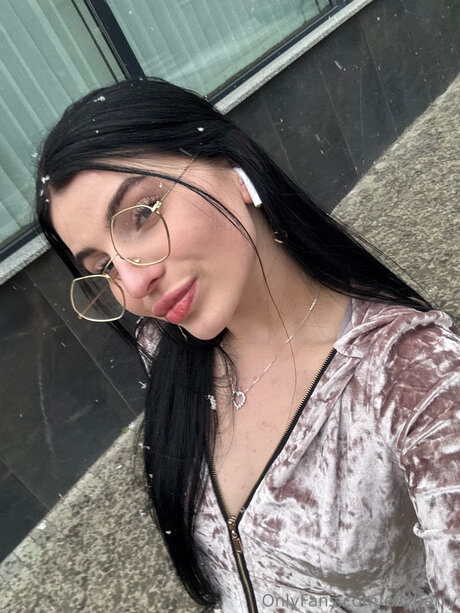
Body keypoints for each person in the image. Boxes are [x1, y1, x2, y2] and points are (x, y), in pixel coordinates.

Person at [35, 78, 459, 613]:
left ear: (236, 170)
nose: (135, 283)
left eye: (142, 214)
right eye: (103, 266)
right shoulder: (165, 347)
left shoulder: (414, 378)